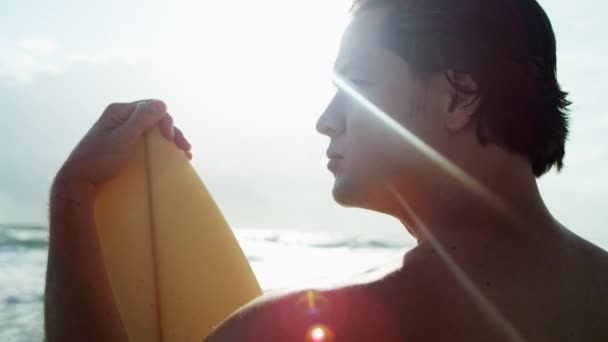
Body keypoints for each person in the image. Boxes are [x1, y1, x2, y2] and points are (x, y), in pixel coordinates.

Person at [45, 0, 608, 341]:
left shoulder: (308, 330)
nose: (325, 121)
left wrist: (74, 197)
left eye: (355, 86)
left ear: (459, 98)